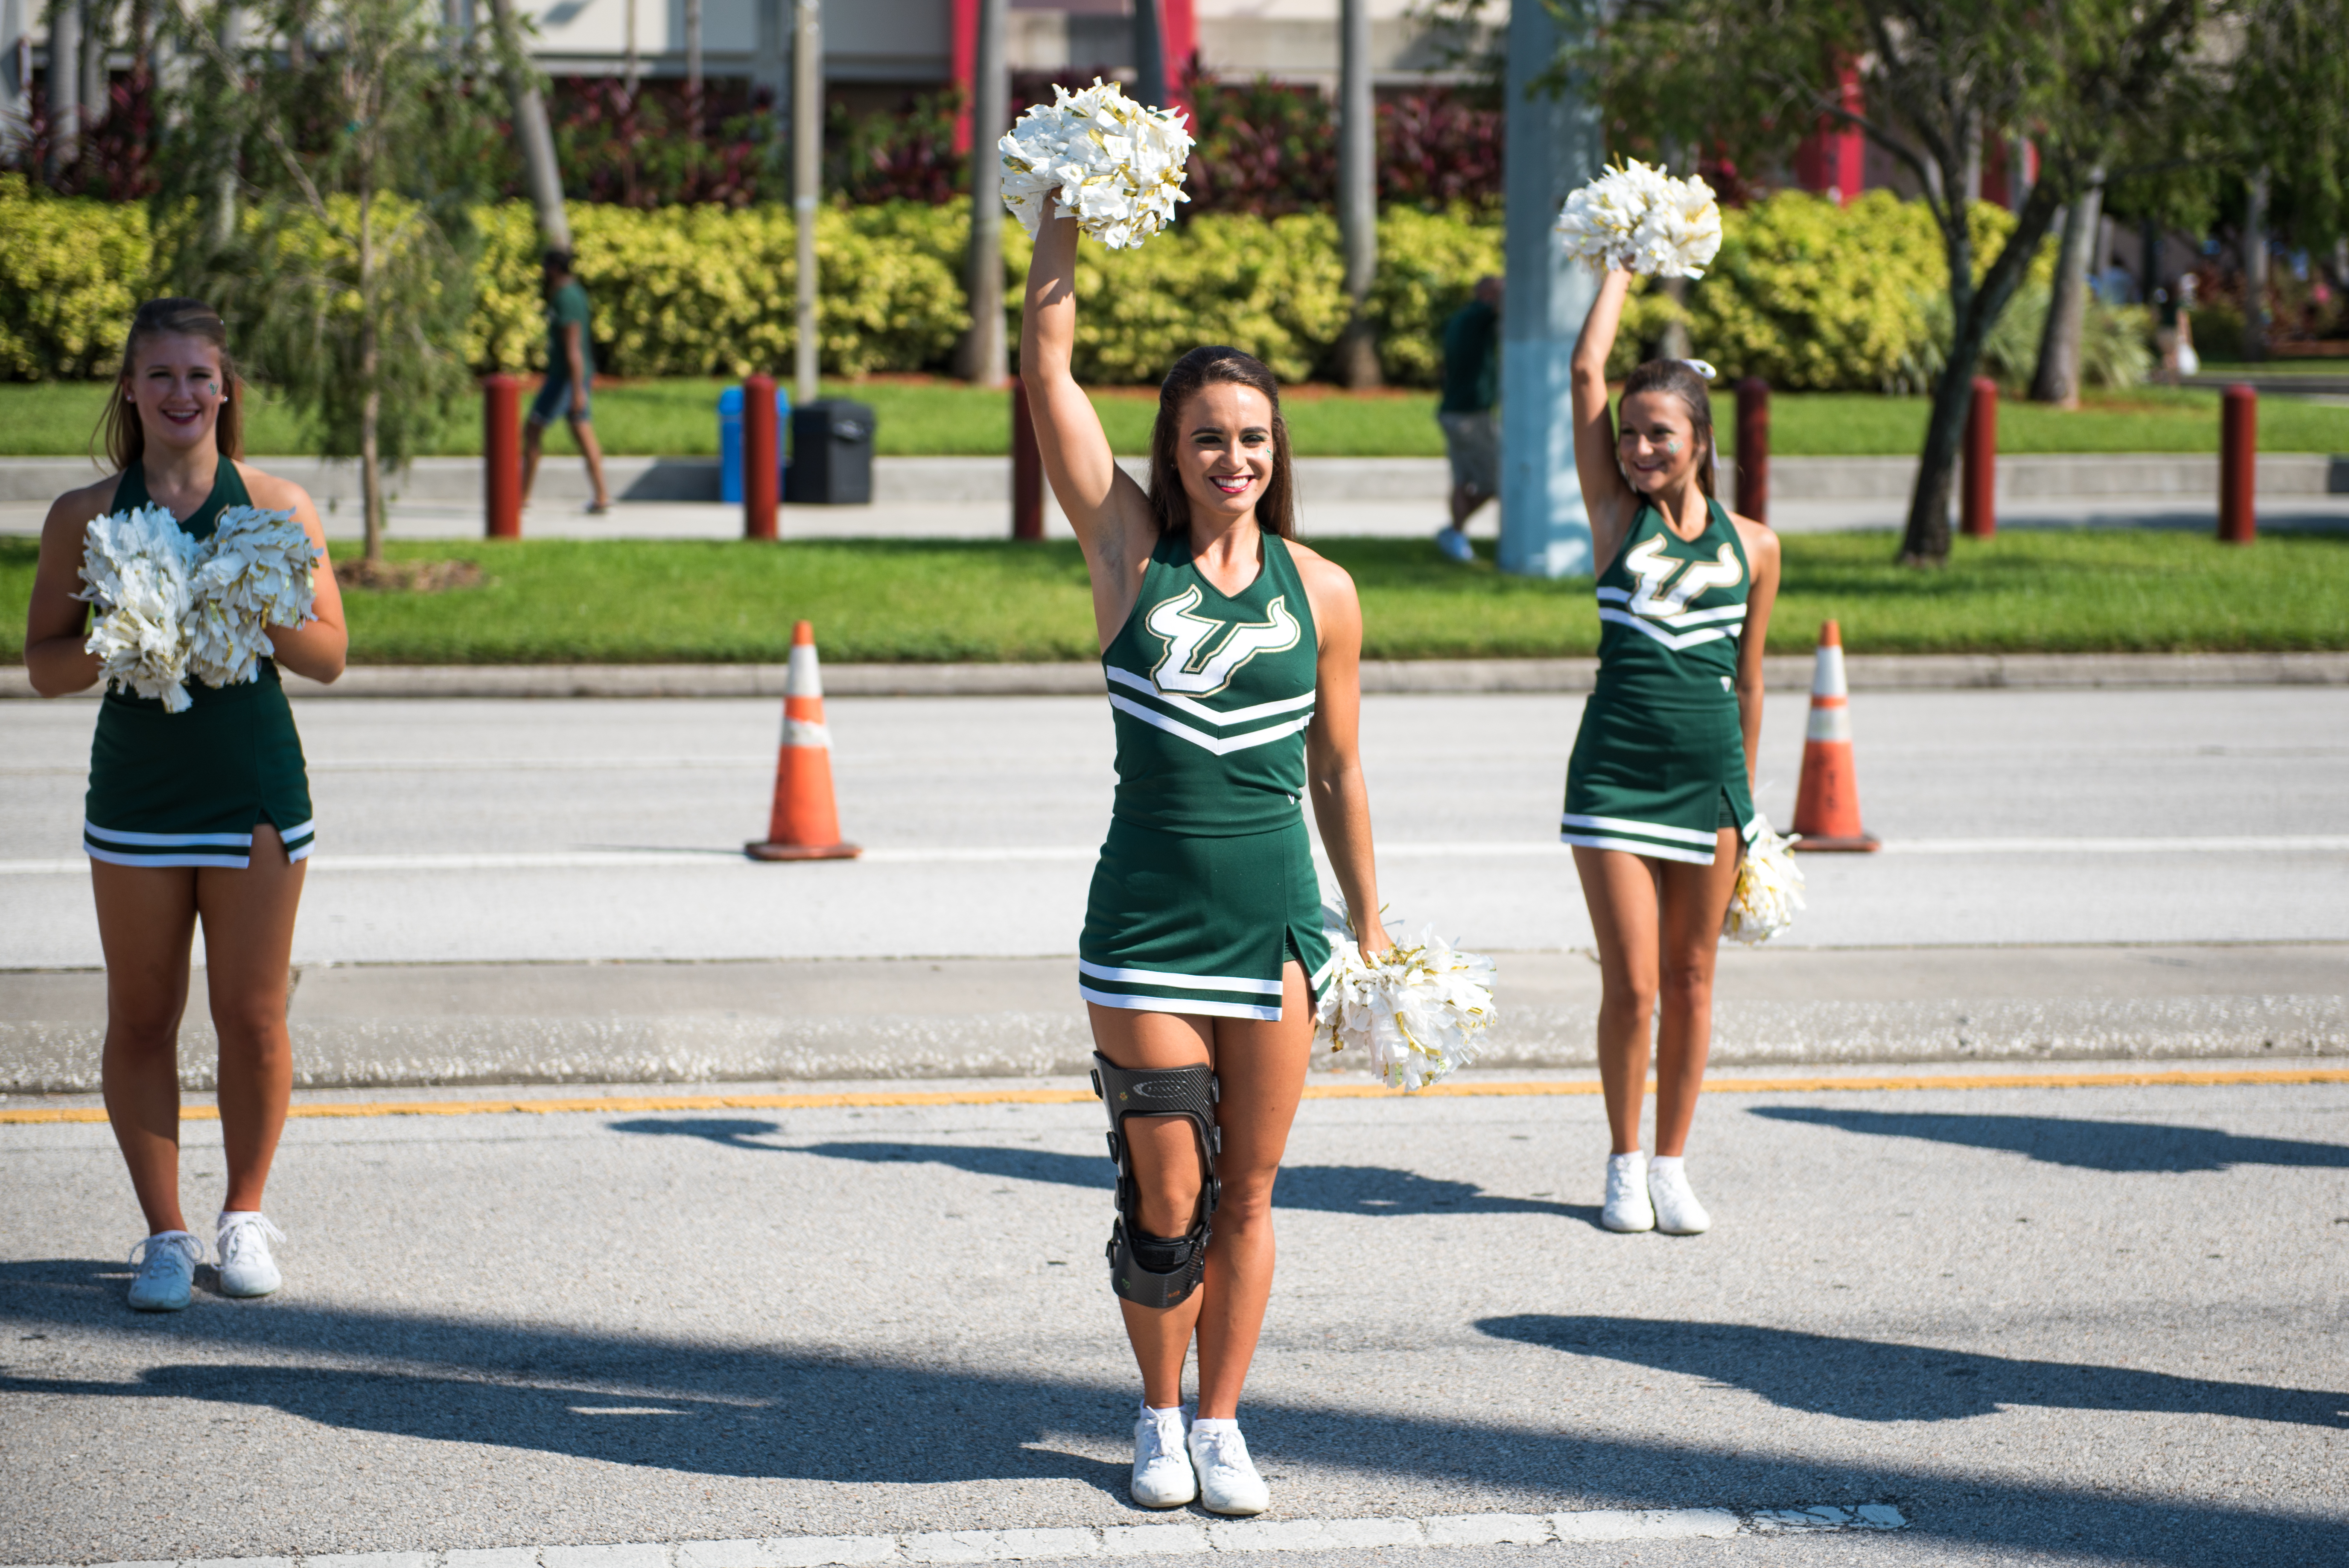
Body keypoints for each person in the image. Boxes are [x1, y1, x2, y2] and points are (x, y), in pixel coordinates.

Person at [1021, 212, 1391, 1517]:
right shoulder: (1129, 553)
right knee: (1165, 1191)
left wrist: (1369, 925)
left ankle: (1223, 1421)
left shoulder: (1321, 590)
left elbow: (1338, 771)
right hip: (1144, 924)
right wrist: (1061, 209)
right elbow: (1048, 370)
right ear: (1169, 455)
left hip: (1274, 928)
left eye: (1252, 438)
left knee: (1248, 1193)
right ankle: (1157, 1413)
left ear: (1275, 452)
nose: (1233, 457)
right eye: (1207, 438)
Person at [22, 298, 347, 1311]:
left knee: (251, 1015)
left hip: (254, 790)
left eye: (199, 375)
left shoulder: (277, 505)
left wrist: (255, 600)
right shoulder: (85, 515)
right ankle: (165, 1234)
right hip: (138, 796)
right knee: (142, 1014)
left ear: (226, 388)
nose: (181, 393)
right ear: (129, 389)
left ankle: (244, 1212)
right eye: (159, 375)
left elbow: (331, 655)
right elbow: (42, 666)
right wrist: (121, 630)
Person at [1561, 268, 1779, 1238]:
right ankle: (1621, 1161)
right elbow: (1584, 370)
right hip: (1612, 776)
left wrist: (1749, 806)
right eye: (1629, 433)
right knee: (1635, 982)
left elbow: (1752, 681)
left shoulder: (1756, 546)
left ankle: (1672, 1163)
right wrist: (1620, 264)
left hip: (1710, 786)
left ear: (1700, 441)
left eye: (1659, 433)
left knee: (1693, 980)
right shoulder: (1616, 518)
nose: (1639, 449)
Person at [521, 249, 613, 514]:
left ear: (555, 268)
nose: (543, 271)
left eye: (546, 266)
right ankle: (602, 496)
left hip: (565, 380)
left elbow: (573, 348)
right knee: (582, 432)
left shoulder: (567, 298)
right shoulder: (571, 293)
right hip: (571, 379)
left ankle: (520, 497)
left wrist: (577, 391)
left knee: (533, 430)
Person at [1434, 274, 1503, 563]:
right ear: (1489, 295)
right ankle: (1454, 532)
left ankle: (1455, 535)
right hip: (1470, 415)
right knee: (1495, 480)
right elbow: (1502, 311)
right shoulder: (1479, 317)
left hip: (1454, 411)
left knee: (1463, 479)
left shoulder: (1459, 319)